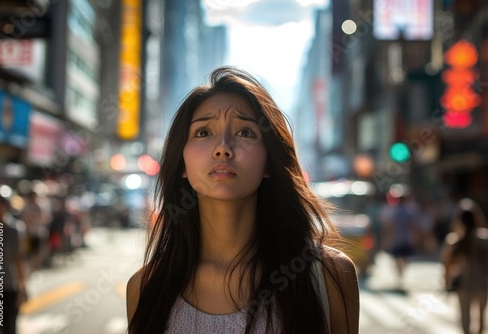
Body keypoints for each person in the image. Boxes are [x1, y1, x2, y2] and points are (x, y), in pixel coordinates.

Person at [126, 66, 359, 334]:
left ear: (269, 162)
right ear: (182, 163)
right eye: (203, 132)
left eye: (245, 132)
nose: (223, 148)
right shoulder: (145, 288)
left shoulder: (329, 276)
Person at [441, 198, 488, 334]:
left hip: (464, 285)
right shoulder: (484, 238)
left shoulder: (454, 240)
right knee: (481, 319)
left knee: (465, 318)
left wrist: (446, 282)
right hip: (481, 283)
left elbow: (447, 265)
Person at [0, 189, 28, 334]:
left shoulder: (14, 230)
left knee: (9, 328)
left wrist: (23, 288)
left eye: (1, 203)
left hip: (8, 287)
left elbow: (19, 260)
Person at [381, 194, 419, 288]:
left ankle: (399, 274)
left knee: (398, 258)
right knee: (404, 258)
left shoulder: (395, 212)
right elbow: (413, 226)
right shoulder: (408, 212)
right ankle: (401, 274)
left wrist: (388, 238)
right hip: (405, 239)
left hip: (397, 239)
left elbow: (390, 227)